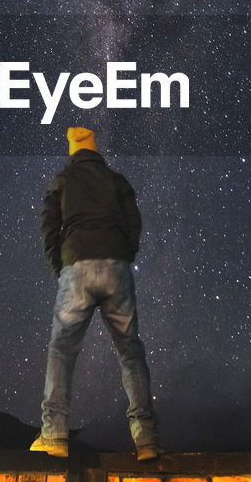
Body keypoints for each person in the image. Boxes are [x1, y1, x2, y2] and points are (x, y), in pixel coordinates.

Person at [30, 126, 162, 460]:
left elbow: (48, 227)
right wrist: (124, 255)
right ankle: (145, 437)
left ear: (72, 148)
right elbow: (134, 222)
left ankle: (54, 434)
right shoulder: (117, 181)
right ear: (94, 148)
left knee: (62, 350)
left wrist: (62, 266)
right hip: (117, 268)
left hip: (77, 267)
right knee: (130, 351)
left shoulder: (61, 181)